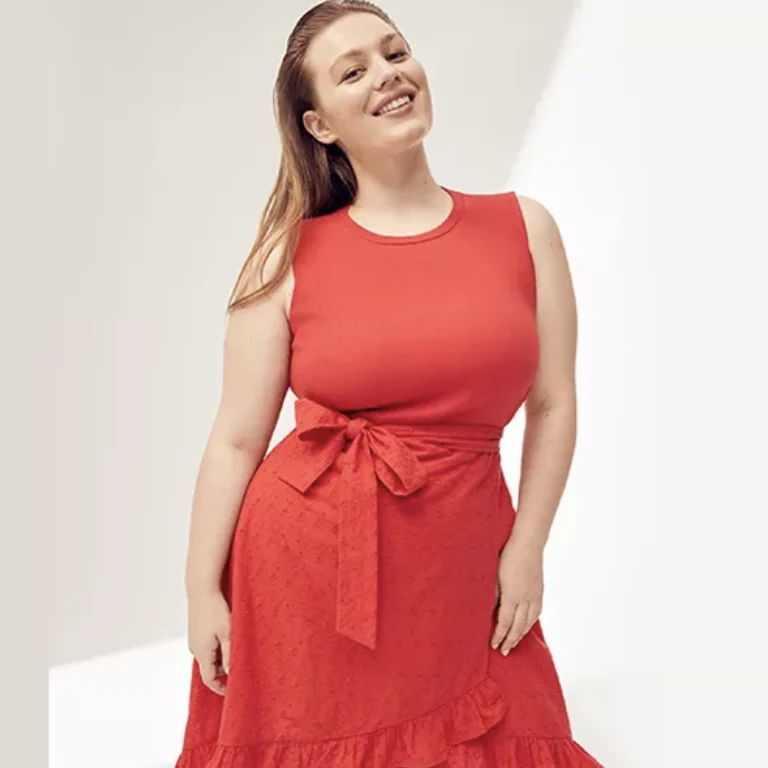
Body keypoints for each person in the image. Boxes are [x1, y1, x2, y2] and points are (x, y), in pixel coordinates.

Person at [174, 1, 604, 766]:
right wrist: (202, 589)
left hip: (463, 562)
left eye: (395, 53)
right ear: (319, 125)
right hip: (303, 577)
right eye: (353, 71)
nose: (387, 74)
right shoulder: (286, 256)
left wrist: (528, 547)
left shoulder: (524, 227)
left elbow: (554, 403)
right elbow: (236, 441)